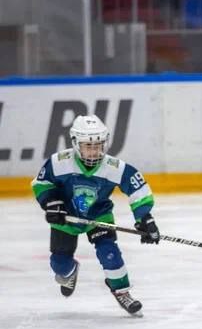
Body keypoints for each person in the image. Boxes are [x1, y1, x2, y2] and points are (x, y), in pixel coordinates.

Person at [30, 114, 159, 316]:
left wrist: (145, 218)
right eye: (88, 146)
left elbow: (138, 190)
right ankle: (69, 272)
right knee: (60, 265)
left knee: (110, 254)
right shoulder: (58, 162)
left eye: (98, 145)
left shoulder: (115, 168)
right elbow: (41, 183)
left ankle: (122, 291)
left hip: (98, 216)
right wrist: (52, 202)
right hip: (67, 217)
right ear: (75, 144)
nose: (94, 151)